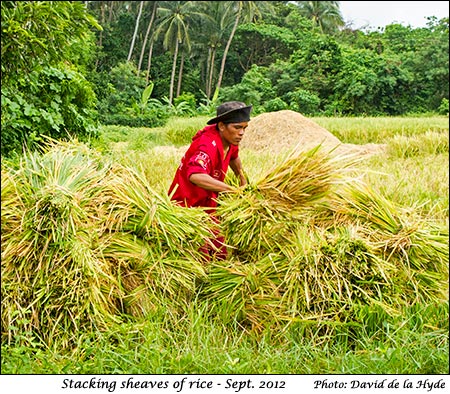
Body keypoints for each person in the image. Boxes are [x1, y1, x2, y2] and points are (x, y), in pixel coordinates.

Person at [168, 101, 252, 260]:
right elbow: (195, 175)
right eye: (237, 127)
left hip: (208, 205)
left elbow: (234, 156)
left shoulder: (230, 140)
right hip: (188, 208)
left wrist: (242, 178)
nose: (241, 133)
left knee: (220, 252)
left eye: (244, 128)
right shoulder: (207, 145)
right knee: (201, 257)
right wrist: (233, 190)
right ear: (221, 126)